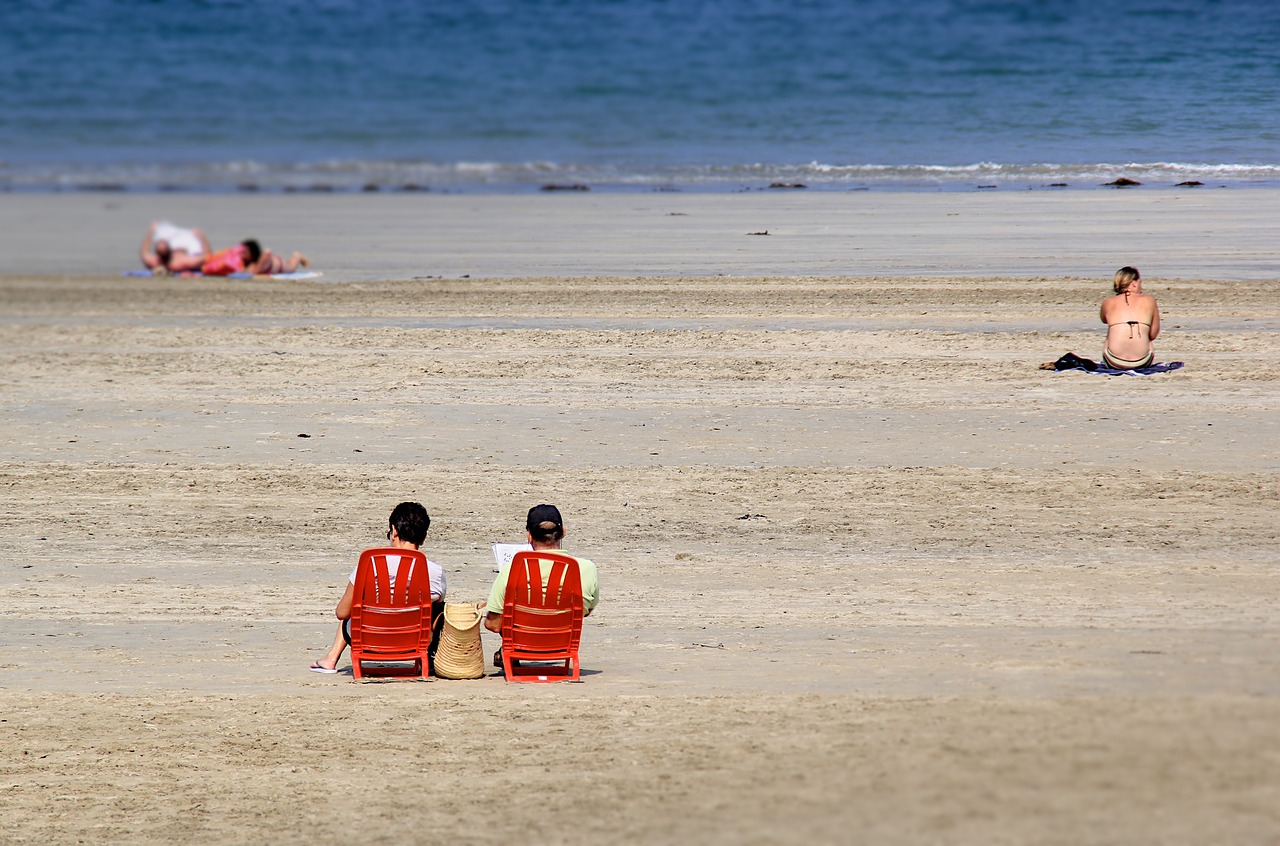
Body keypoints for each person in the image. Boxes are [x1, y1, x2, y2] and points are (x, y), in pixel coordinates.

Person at [308, 502, 446, 674]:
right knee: (436, 609)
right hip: (416, 640)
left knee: (353, 606)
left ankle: (330, 659)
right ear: (423, 538)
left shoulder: (368, 564)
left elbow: (341, 613)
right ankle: (429, 662)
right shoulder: (435, 571)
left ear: (394, 531)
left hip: (369, 638)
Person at [483, 504, 600, 669]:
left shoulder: (512, 569)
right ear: (564, 532)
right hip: (562, 645)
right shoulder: (587, 568)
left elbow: (493, 624)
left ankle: (510, 649)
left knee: (504, 613)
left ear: (529, 536)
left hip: (524, 644)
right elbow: (586, 611)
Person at [1099, 266, 1161, 370]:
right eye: (1140, 283)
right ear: (1134, 283)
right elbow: (1153, 334)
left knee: (1112, 330)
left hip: (1113, 361)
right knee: (1146, 336)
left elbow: (1104, 319)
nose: (1141, 288)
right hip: (1142, 361)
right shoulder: (1150, 300)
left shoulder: (1108, 302)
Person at [200, 239, 310, 276]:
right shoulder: (247, 263)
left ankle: (297, 256)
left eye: (244, 252)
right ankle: (294, 258)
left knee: (292, 267)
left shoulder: (262, 257)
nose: (241, 254)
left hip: (279, 265)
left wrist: (256, 270)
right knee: (289, 263)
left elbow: (267, 252)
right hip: (273, 263)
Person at [140, 221, 210, 274]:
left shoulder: (154, 261)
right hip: (188, 250)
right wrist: (202, 237)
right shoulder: (181, 262)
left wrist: (151, 232)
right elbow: (207, 257)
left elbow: (144, 252)